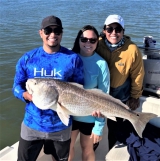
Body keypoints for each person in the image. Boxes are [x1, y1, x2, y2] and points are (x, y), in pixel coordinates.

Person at [12, 15, 84, 161]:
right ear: (41, 33)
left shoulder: (72, 59)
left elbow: (79, 90)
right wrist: (26, 95)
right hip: (32, 124)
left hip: (61, 127)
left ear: (61, 33)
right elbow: (16, 87)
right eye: (48, 30)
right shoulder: (28, 58)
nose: (52, 34)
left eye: (57, 31)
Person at [93, 14, 145, 150]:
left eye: (118, 29)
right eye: (109, 29)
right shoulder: (96, 43)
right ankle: (92, 146)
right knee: (93, 126)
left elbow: (138, 74)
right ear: (104, 30)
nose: (113, 33)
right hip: (96, 93)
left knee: (115, 129)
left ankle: (112, 148)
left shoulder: (132, 49)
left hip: (119, 95)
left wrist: (135, 96)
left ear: (123, 31)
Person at [68, 25, 110, 161]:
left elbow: (105, 97)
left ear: (97, 42)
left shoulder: (101, 64)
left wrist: (99, 126)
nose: (88, 43)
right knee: (67, 148)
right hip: (68, 115)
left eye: (92, 40)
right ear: (78, 40)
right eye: (84, 39)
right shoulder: (69, 58)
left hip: (90, 117)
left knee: (87, 149)